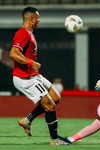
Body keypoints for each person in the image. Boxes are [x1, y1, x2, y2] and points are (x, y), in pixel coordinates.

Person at [9, 7, 68, 145]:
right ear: (31, 19)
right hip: (24, 78)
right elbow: (13, 53)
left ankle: (27, 120)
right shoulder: (22, 33)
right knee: (49, 105)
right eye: (38, 18)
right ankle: (55, 139)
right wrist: (30, 62)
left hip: (33, 75)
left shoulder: (30, 33)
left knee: (55, 97)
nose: (39, 21)